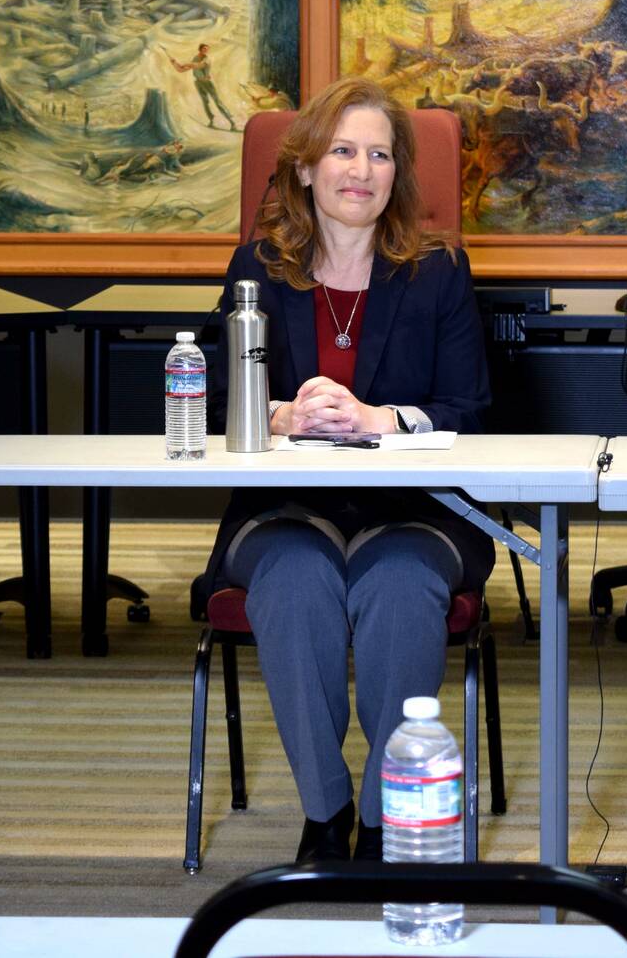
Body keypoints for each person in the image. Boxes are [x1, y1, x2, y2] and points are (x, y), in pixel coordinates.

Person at [202, 75, 490, 863]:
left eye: (380, 154)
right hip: (287, 504)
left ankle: (385, 810)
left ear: (398, 174)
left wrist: (379, 419)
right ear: (303, 168)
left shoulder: (438, 271)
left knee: (398, 586)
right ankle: (326, 810)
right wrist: (281, 413)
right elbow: (217, 394)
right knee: (295, 581)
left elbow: (471, 406)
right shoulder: (256, 266)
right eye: (342, 150)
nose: (361, 169)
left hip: (418, 509)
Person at [169, 42, 240, 131]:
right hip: (198, 83)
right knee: (205, 103)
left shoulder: (207, 59)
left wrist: (184, 63)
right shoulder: (195, 58)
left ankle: (232, 123)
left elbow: (199, 65)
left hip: (207, 83)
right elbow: (180, 70)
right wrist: (174, 63)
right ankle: (211, 121)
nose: (206, 51)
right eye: (204, 49)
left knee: (217, 102)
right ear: (200, 49)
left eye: (207, 49)